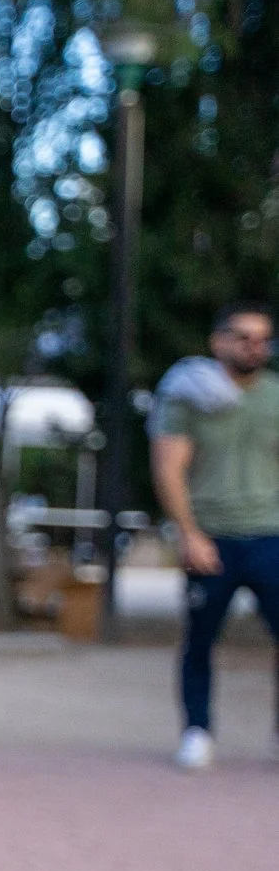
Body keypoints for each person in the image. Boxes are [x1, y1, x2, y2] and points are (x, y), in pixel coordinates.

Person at [151, 302, 279, 770]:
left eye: (263, 339)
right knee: (201, 640)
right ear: (218, 341)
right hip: (211, 538)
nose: (254, 347)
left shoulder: (275, 396)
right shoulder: (187, 396)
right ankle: (197, 731)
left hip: (270, 535)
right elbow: (169, 467)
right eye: (244, 337)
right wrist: (189, 533)